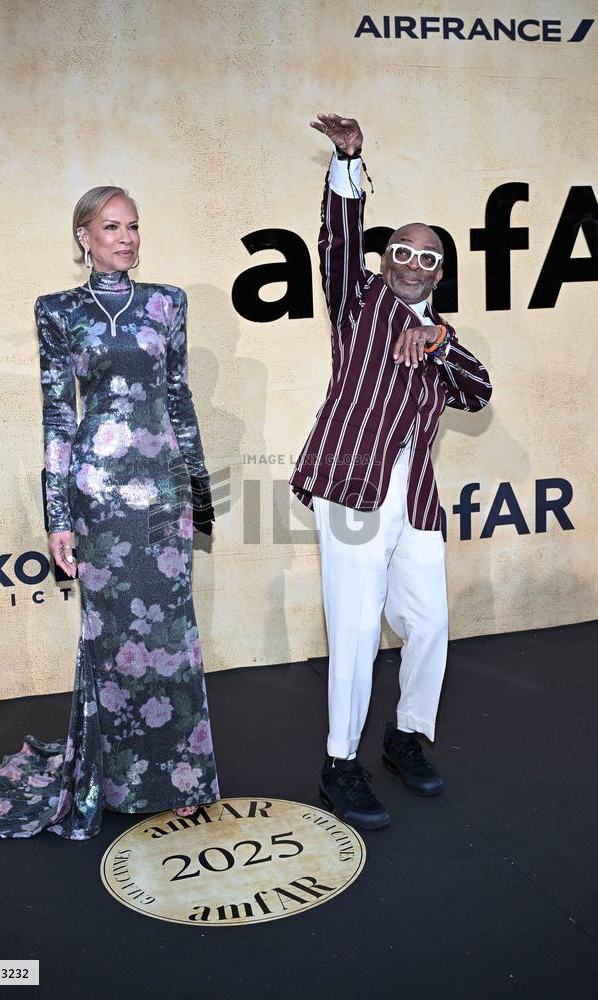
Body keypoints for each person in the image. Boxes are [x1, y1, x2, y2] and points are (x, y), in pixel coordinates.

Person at [0, 185, 219, 839]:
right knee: (111, 641)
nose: (126, 238)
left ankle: (180, 779)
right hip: (99, 496)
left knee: (171, 637)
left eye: (133, 225)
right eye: (111, 226)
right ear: (83, 236)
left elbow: (179, 395)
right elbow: (58, 415)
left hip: (162, 491)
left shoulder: (168, 302)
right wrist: (57, 515)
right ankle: (115, 780)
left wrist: (197, 490)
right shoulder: (58, 311)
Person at [290, 113, 492, 831]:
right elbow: (337, 240)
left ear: (440, 273)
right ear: (385, 261)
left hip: (417, 500)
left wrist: (440, 342)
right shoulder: (358, 301)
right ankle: (339, 764)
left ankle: (405, 735)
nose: (412, 262)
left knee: (429, 622)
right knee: (354, 630)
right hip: (351, 490)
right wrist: (348, 161)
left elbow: (479, 392)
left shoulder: (442, 336)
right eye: (401, 250)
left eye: (427, 257)